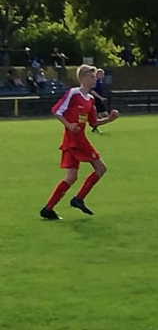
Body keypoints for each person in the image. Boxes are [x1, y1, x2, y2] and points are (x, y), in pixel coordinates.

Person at [39, 64, 119, 220]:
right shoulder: (74, 93)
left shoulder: (90, 99)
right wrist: (69, 125)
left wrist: (110, 119)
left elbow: (93, 122)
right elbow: (56, 111)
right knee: (101, 168)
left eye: (95, 77)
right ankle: (79, 199)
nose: (94, 80)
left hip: (74, 141)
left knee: (71, 177)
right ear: (82, 78)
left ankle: (48, 209)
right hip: (76, 140)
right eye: (91, 77)